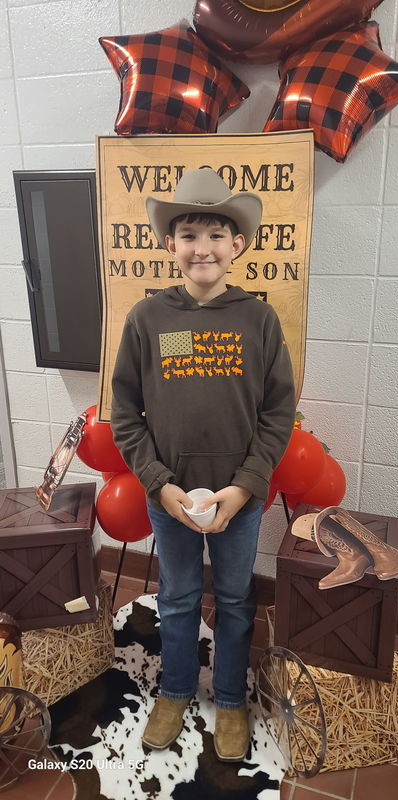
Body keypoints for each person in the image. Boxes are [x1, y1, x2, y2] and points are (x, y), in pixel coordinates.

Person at [110, 167, 296, 762]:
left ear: (237, 245)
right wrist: (161, 487)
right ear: (171, 245)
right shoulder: (149, 320)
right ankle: (175, 689)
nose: (203, 247)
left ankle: (234, 699)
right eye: (189, 234)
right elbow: (126, 414)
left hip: (238, 501)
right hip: (171, 498)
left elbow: (276, 413)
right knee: (180, 596)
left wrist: (242, 490)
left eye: (216, 235)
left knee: (238, 598)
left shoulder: (258, 320)